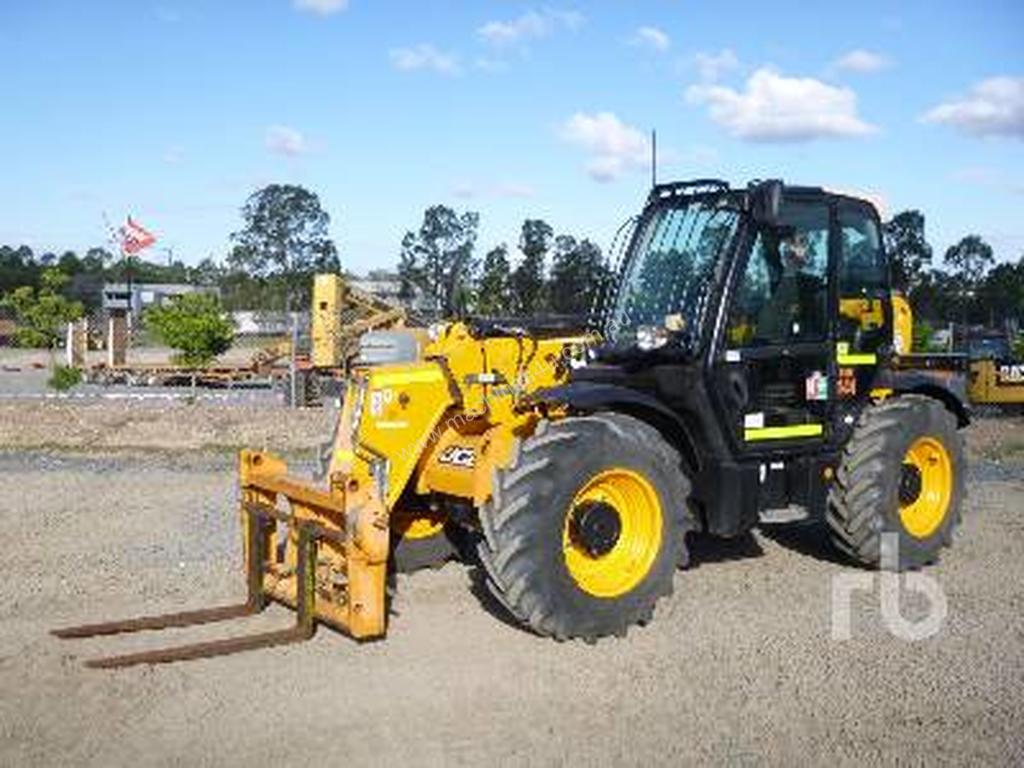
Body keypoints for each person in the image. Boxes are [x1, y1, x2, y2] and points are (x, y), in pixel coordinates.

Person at [756, 231, 824, 340]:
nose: (791, 248)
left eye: (802, 243)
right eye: (791, 243)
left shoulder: (815, 286)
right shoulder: (769, 284)